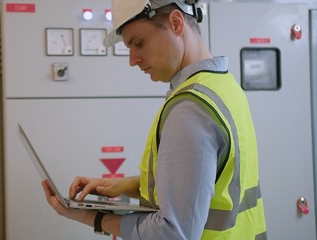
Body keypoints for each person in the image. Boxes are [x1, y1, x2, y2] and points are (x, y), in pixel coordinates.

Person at [41, 0, 267, 239]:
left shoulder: (190, 108)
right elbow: (205, 183)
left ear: (176, 23)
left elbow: (173, 233)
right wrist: (125, 186)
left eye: (139, 43)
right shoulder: (224, 86)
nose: (132, 59)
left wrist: (92, 217)